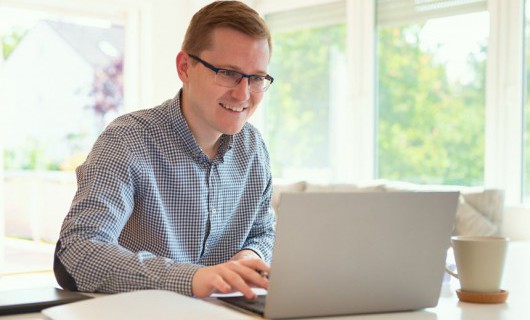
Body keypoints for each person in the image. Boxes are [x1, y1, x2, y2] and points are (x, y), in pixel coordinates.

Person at [54, 0, 276, 300]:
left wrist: (248, 258)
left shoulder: (254, 149)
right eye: (227, 73)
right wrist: (194, 279)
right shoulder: (127, 141)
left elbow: (263, 232)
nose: (243, 93)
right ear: (185, 67)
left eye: (257, 78)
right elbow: (77, 253)